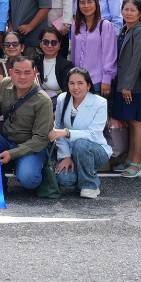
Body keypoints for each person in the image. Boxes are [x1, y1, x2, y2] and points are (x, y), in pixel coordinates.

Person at [49, 67, 111, 199]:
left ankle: (90, 185)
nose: (75, 87)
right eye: (71, 83)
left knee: (81, 144)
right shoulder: (62, 98)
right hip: (70, 151)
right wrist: (65, 156)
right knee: (65, 180)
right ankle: (82, 173)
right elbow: (57, 128)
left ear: (88, 85)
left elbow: (93, 135)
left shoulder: (100, 103)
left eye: (80, 83)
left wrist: (67, 132)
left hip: (96, 150)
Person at [0, 55, 54, 194]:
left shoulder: (43, 101)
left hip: (30, 146)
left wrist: (13, 154)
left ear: (34, 73)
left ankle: (37, 168)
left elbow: (40, 139)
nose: (22, 77)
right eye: (17, 72)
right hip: (6, 140)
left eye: (27, 72)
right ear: (10, 72)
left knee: (29, 179)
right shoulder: (4, 84)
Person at [109, 0, 141, 178]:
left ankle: (137, 162)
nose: (129, 13)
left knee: (136, 122)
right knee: (130, 123)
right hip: (123, 83)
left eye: (133, 10)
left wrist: (127, 86)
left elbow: (136, 61)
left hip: (134, 86)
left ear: (140, 13)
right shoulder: (126, 29)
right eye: (126, 9)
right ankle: (130, 159)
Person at [68, 0, 117, 97]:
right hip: (78, 81)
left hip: (97, 81)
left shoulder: (105, 25)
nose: (86, 6)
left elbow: (110, 55)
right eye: (82, 2)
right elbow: (73, 55)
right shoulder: (75, 26)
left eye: (89, 2)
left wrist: (107, 79)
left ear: (96, 3)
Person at [33, 28, 71, 99]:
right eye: (46, 42)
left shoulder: (67, 66)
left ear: (59, 45)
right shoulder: (35, 62)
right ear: (40, 44)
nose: (49, 46)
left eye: (53, 42)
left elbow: (67, 93)